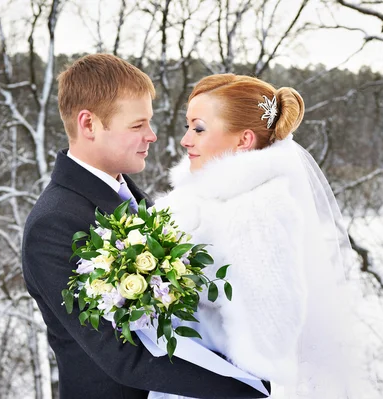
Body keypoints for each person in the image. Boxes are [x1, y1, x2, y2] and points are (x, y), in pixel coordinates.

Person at [21, 55, 269, 399]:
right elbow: (123, 357)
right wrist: (248, 390)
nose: (151, 136)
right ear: (89, 124)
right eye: (137, 126)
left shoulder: (132, 197)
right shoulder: (54, 224)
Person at [155, 74, 363, 398]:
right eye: (187, 126)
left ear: (244, 140)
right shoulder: (194, 199)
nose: (185, 140)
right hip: (177, 381)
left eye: (198, 128)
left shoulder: (259, 211)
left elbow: (271, 330)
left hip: (220, 387)